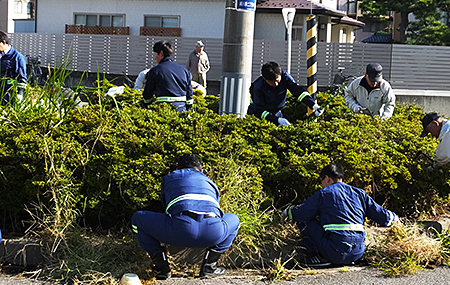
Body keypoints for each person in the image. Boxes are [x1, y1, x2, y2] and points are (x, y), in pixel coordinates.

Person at [131, 153, 241, 279]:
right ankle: (210, 266)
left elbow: (166, 207)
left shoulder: (170, 177)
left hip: (181, 228)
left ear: (178, 169)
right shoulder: (210, 182)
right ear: (201, 170)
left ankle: (162, 268)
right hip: (213, 232)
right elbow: (217, 210)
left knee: (137, 219)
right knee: (235, 220)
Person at [283, 163, 398, 267]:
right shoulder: (359, 193)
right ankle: (344, 258)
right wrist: (394, 217)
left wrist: (286, 212)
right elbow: (383, 217)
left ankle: (315, 257)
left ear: (327, 178)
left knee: (304, 219)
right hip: (357, 252)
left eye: (321, 180)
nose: (321, 184)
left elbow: (301, 212)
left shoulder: (324, 193)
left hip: (334, 252)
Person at [247, 61, 323, 127]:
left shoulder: (285, 77)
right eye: (272, 82)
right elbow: (259, 111)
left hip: (277, 112)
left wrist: (313, 105)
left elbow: (298, 91)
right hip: (258, 115)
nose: (276, 84)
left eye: (277, 80)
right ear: (265, 79)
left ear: (280, 74)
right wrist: (277, 120)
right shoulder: (258, 87)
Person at [142, 41, 193, 113]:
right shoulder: (184, 70)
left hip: (163, 109)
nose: (155, 58)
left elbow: (147, 94)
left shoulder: (155, 71)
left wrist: (146, 105)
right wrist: (188, 109)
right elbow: (189, 93)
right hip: (182, 109)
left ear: (161, 53)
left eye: (156, 54)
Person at [0, 30, 27, 106]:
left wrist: (19, 94)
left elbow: (22, 78)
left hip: (8, 94)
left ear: (4, 42)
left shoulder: (17, 57)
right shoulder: (1, 55)